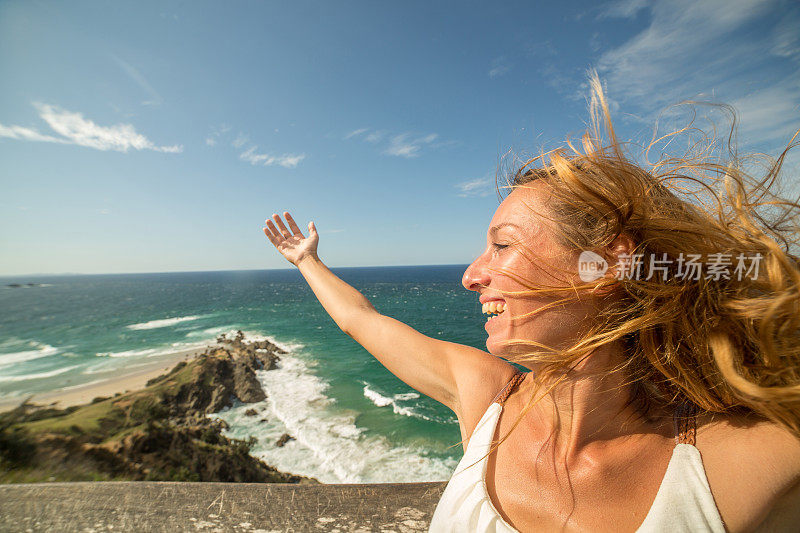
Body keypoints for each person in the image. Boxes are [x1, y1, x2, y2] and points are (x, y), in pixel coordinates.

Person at [262, 76, 800, 532]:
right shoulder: (486, 397)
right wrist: (307, 260)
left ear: (605, 267)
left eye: (502, 245)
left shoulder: (747, 460)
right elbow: (362, 320)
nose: (472, 275)